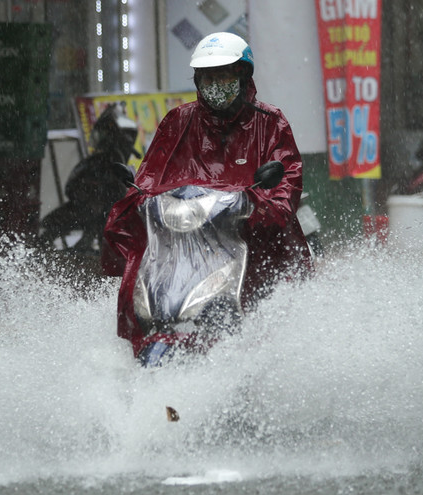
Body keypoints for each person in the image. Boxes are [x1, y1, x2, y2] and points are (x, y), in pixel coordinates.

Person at [102, 32, 312, 357]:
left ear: (242, 76)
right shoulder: (178, 121)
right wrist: (137, 201)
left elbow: (285, 185)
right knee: (145, 304)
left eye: (224, 75)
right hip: (184, 251)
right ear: (198, 80)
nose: (216, 83)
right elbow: (150, 179)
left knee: (269, 334)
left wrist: (260, 206)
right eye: (208, 76)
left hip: (253, 249)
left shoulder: (270, 124)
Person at [39, 103, 139, 253]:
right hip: (94, 207)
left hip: (109, 211)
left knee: (106, 215)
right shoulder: (101, 161)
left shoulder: (114, 162)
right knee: (97, 214)